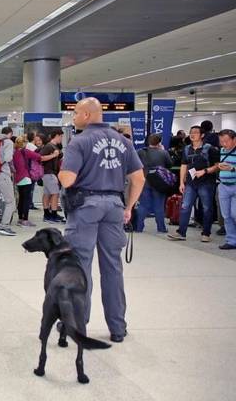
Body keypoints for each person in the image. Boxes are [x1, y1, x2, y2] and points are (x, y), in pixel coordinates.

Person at [58, 97, 144, 344]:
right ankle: (118, 328)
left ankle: (77, 326)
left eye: (75, 113)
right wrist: (128, 206)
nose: (73, 117)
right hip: (114, 207)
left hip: (85, 207)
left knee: (80, 267)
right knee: (113, 268)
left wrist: (62, 170)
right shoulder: (123, 141)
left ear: (86, 115)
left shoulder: (80, 141)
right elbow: (138, 178)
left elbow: (67, 180)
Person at [167, 125, 221, 242]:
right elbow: (184, 166)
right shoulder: (187, 149)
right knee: (185, 206)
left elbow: (218, 166)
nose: (192, 134)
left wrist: (205, 171)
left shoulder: (210, 149)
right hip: (191, 183)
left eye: (196, 132)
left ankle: (206, 233)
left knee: (207, 208)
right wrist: (181, 182)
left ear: (202, 135)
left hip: (207, 182)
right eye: (191, 132)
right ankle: (181, 232)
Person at [133, 134, 173, 233]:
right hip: (159, 181)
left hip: (144, 179)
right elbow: (170, 164)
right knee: (159, 205)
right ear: (159, 142)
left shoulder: (140, 152)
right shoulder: (164, 153)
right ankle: (161, 228)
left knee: (143, 204)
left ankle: (138, 227)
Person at [0, 127, 16, 236]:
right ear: (10, 133)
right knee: (11, 201)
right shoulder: (8, 142)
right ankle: (4, 226)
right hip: (3, 174)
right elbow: (8, 157)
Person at [12, 135, 41, 227]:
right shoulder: (25, 151)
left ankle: (20, 219)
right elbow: (39, 157)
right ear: (24, 143)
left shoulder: (15, 152)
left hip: (18, 178)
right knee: (27, 199)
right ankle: (25, 220)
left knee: (21, 198)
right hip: (26, 177)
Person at [40, 130, 65, 223]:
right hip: (49, 173)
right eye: (61, 136)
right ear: (57, 136)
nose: (62, 139)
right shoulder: (49, 146)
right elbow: (40, 158)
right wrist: (54, 155)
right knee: (55, 193)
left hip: (50, 173)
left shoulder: (54, 146)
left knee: (47, 194)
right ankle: (53, 215)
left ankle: (47, 214)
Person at [216, 129, 236, 250]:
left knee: (234, 214)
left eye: (226, 141)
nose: (224, 144)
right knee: (226, 215)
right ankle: (231, 240)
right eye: (221, 141)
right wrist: (220, 166)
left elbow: (232, 167)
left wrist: (232, 169)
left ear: (234, 139)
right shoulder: (222, 150)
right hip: (223, 186)